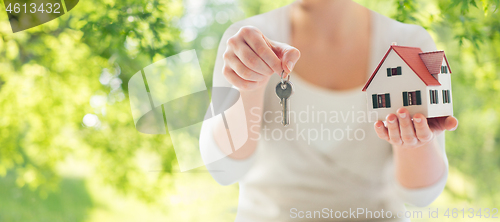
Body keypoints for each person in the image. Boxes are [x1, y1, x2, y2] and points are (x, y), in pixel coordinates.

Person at [199, 0, 459, 221]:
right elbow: (224, 169)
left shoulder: (409, 44)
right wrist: (249, 87)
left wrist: (412, 143)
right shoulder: (247, 42)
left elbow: (421, 195)